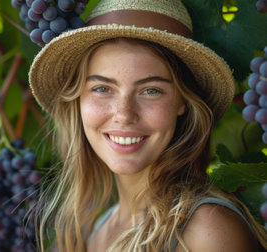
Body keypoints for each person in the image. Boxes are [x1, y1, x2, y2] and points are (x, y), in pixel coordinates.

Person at [28, 0, 267, 251]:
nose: (124, 114)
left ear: (182, 101)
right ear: (78, 100)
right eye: (102, 88)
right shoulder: (95, 229)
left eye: (150, 90)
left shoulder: (206, 232)